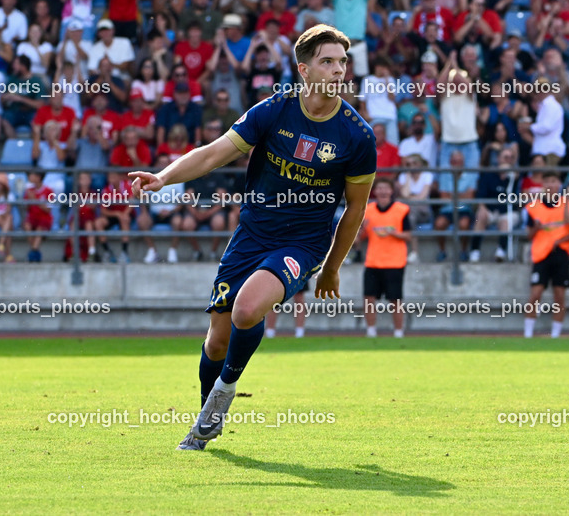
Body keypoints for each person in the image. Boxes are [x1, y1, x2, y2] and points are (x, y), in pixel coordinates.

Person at [128, 24, 376, 450]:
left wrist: (331, 267)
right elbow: (213, 153)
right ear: (304, 69)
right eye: (328, 62)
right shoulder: (273, 110)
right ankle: (206, 418)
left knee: (247, 309)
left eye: (342, 62)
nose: (339, 71)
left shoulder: (357, 135)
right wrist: (164, 177)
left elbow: (355, 209)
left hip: (301, 244)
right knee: (218, 337)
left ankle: (225, 392)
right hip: (252, 234)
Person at [523, 172, 569, 339]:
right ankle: (528, 333)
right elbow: (528, 235)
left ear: (559, 184)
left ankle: (555, 335)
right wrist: (537, 229)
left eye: (553, 181)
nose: (550, 185)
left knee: (559, 295)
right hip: (541, 254)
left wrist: (559, 241)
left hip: (561, 254)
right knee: (536, 294)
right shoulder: (533, 207)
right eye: (546, 181)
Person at [357, 178, 412, 338]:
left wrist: (393, 232)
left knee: (395, 299)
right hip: (373, 260)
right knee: (368, 298)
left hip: (394, 261)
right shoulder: (368, 210)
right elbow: (359, 240)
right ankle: (371, 330)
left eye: (385, 188)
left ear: (391, 191)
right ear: (375, 191)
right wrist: (363, 228)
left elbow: (408, 235)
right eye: (379, 188)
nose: (382, 192)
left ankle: (398, 331)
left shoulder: (401, 209)